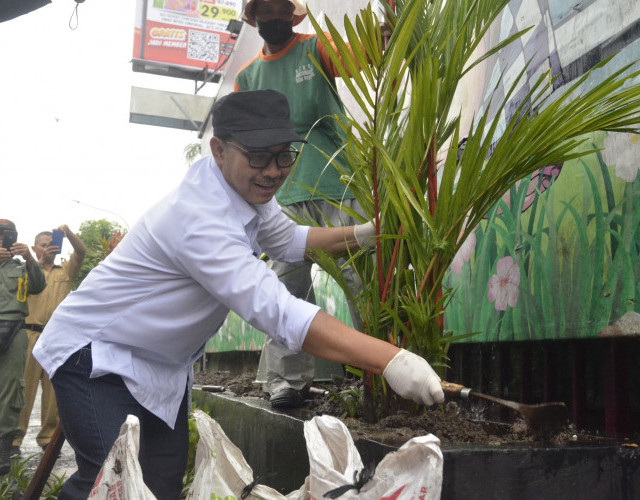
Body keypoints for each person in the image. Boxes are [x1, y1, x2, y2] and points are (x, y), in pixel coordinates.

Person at [33, 90, 443, 499]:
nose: (273, 171)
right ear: (218, 149)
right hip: (98, 356)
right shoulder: (199, 218)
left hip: (161, 367)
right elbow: (280, 312)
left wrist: (362, 233)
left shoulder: (243, 188)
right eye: (259, 157)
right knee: (112, 486)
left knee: (157, 487)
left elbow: (289, 240)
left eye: (285, 156)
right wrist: (391, 360)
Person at [236, 0, 372, 408]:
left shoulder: (317, 49)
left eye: (282, 8)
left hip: (338, 187)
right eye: (267, 9)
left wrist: (381, 36)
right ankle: (288, 381)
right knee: (283, 291)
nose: (275, 16)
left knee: (361, 285)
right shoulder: (248, 77)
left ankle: (377, 375)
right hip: (282, 200)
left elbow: (362, 54)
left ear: (292, 15)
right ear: (253, 16)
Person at [11, 225, 86, 456]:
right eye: (43, 245)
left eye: (51, 244)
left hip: (56, 337)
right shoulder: (24, 270)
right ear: (34, 248)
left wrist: (68, 234)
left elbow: (81, 252)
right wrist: (35, 260)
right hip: (29, 334)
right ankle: (14, 440)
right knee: (24, 389)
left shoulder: (65, 271)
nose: (48, 248)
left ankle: (47, 439)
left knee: (53, 393)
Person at [0, 219, 46, 475]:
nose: (2, 240)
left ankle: (4, 448)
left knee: (10, 391)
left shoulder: (21, 266)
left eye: (6, 236)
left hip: (14, 330)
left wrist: (29, 258)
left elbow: (38, 286)